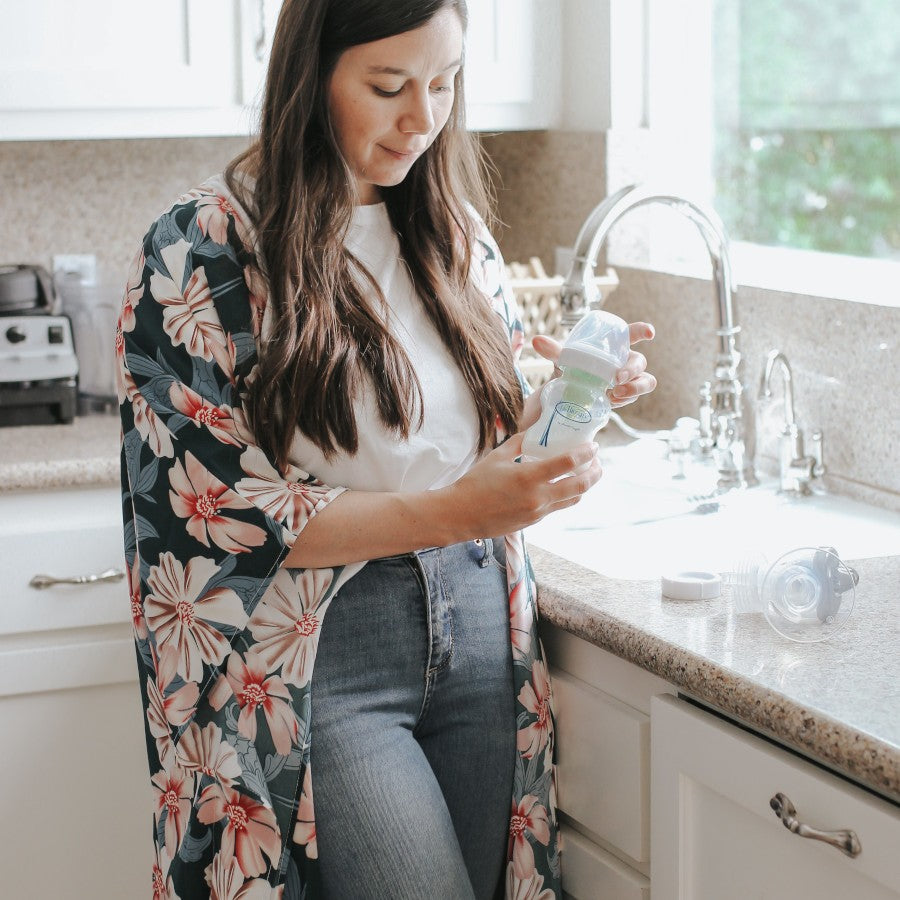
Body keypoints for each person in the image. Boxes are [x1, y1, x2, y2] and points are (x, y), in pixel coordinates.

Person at [117, 1, 656, 897]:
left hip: (486, 634)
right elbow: (208, 509)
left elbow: (468, 439)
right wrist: (453, 512)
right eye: (388, 85)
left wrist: (575, 399)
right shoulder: (205, 244)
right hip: (327, 648)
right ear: (309, 75)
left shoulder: (456, 234)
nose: (423, 116)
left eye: (444, 83)